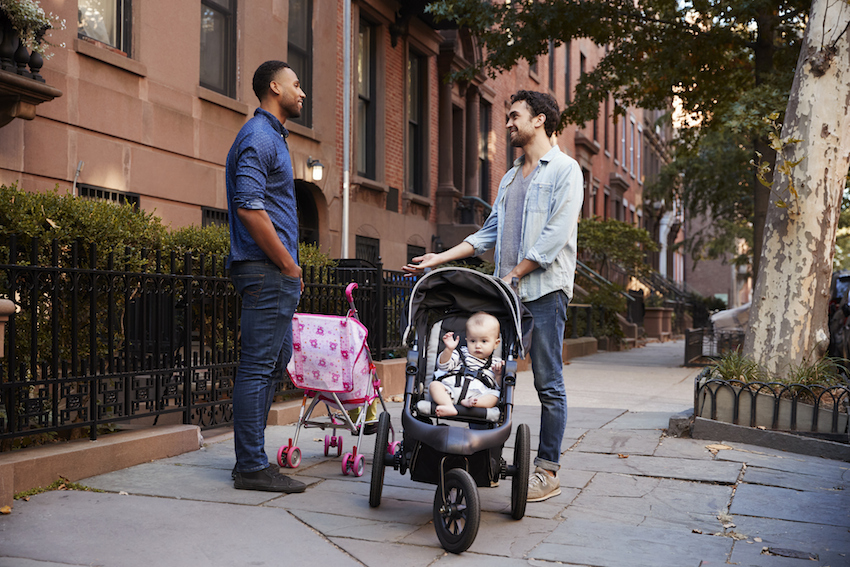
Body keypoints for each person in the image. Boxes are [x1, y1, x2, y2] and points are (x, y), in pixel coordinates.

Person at [403, 90, 584, 502]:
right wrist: (437, 259)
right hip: (509, 294)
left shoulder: (566, 171)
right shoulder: (508, 177)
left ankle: (547, 470)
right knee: (493, 372)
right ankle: (482, 455)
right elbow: (487, 235)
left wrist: (516, 274)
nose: (507, 123)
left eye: (514, 115)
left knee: (547, 381)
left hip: (544, 291)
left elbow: (554, 237)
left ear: (540, 120)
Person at [226, 61, 307, 493]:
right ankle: (252, 467)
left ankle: (251, 460)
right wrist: (289, 265)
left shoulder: (271, 137)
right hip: (266, 271)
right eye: (296, 84)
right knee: (259, 367)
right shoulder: (259, 136)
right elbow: (249, 206)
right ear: (275, 87)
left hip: (271, 273)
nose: (303, 92)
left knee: (272, 364)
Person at [430, 312, 504, 417]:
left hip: (478, 395)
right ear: (467, 340)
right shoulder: (460, 353)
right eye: (473, 341)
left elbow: (499, 386)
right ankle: (448, 406)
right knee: (434, 385)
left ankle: (474, 403)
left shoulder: (496, 363)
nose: (478, 346)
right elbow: (443, 366)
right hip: (451, 390)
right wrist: (449, 350)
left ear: (496, 343)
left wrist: (498, 375)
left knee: (495, 395)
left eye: (484, 341)